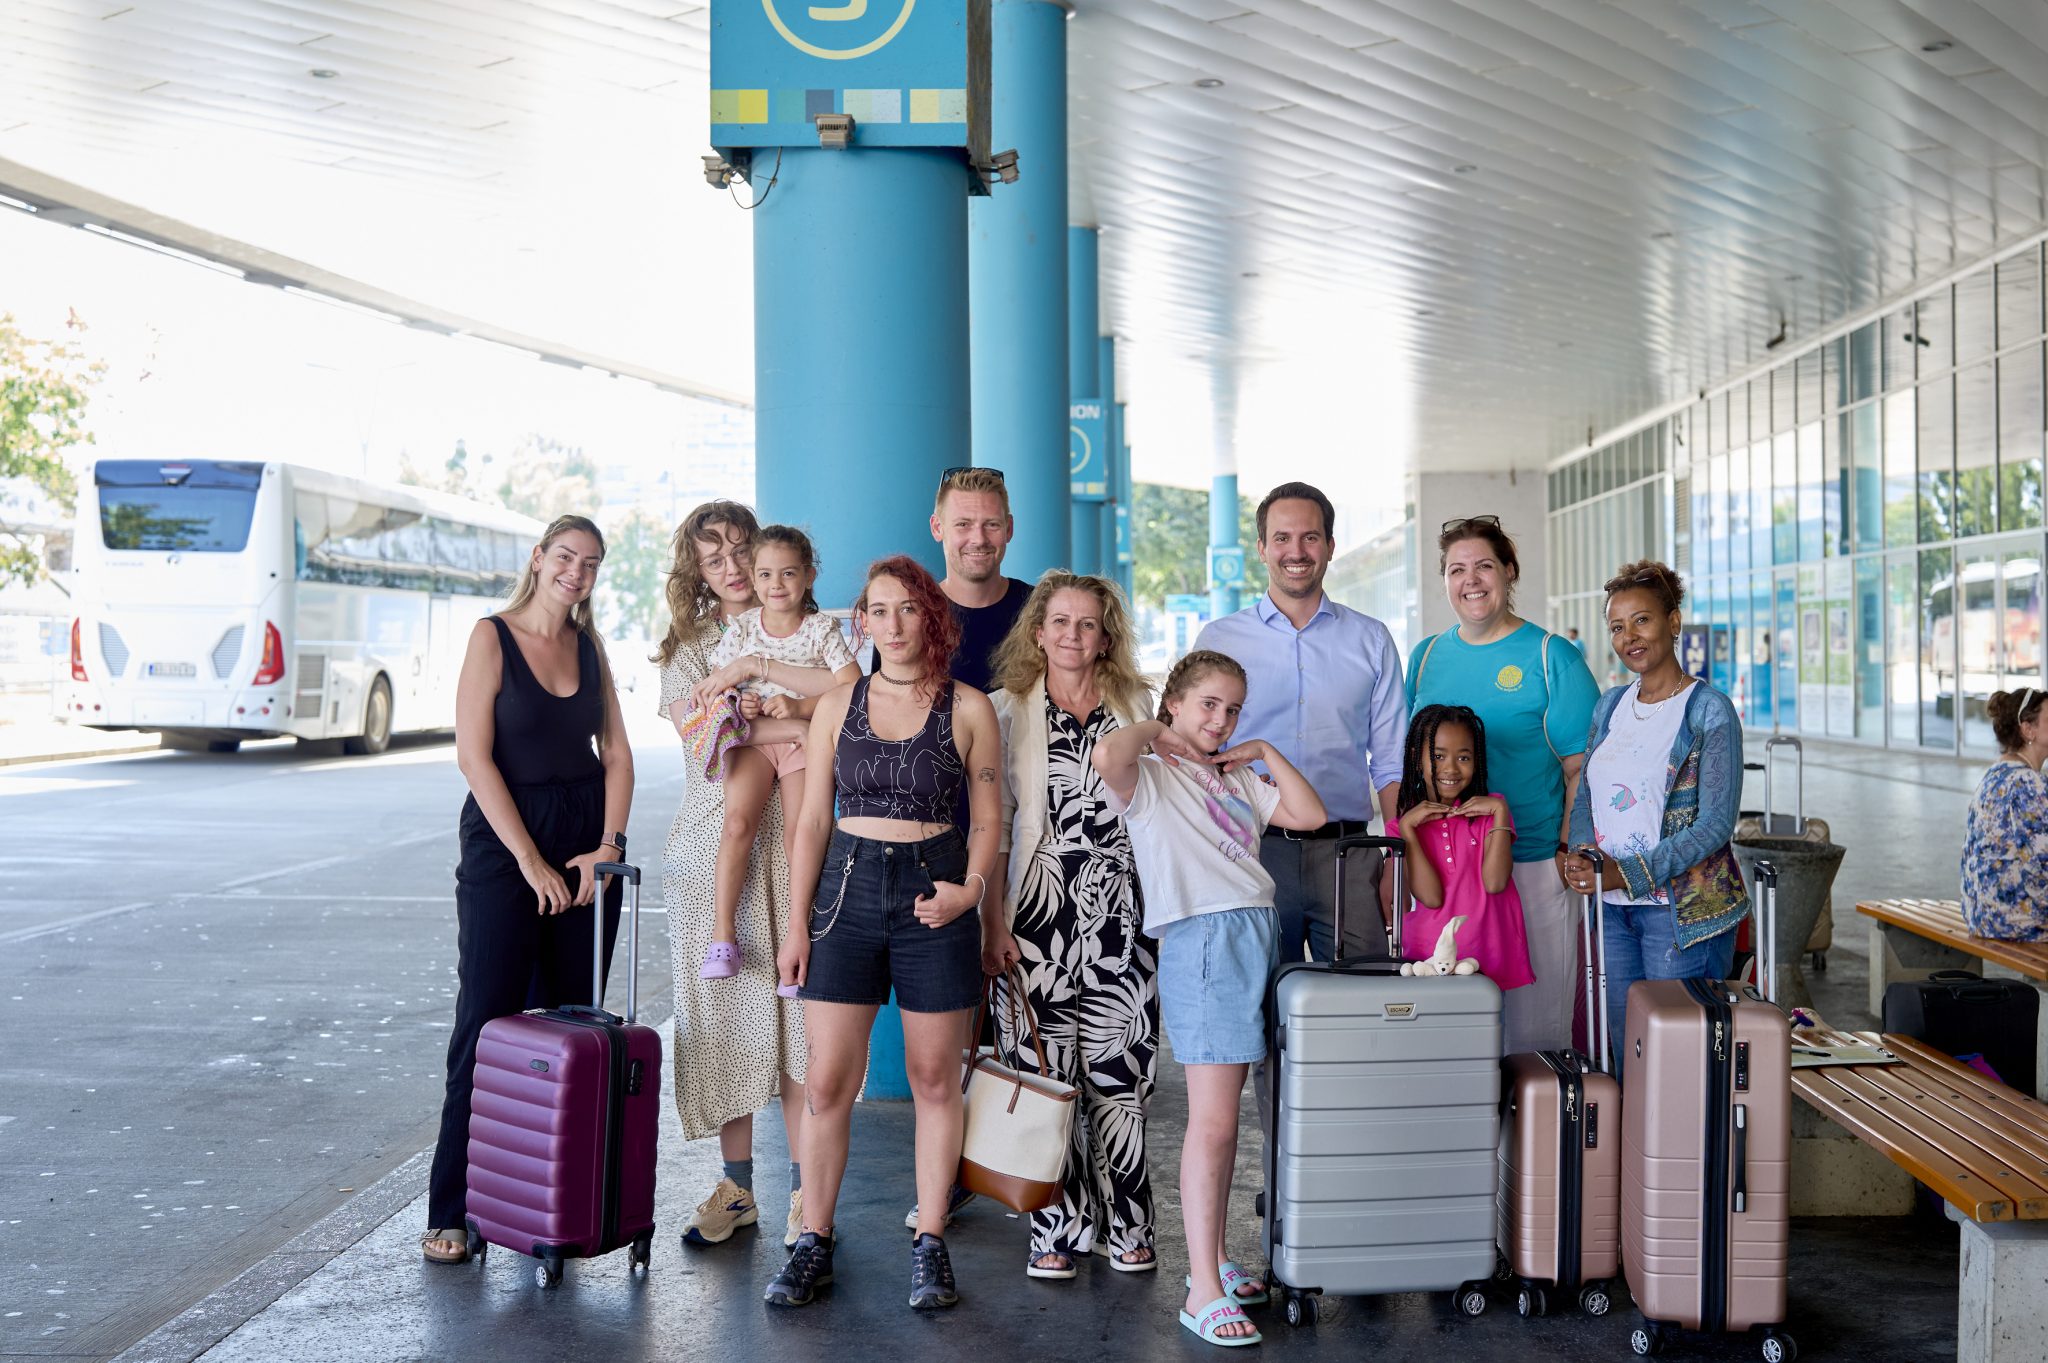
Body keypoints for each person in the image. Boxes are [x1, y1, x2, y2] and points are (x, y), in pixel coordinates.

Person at [767, 555, 1003, 1311]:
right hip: (845, 891)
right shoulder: (841, 701)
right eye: (878, 610)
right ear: (860, 620)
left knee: (936, 1080)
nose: (892, 624)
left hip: (936, 891)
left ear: (929, 616)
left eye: (908, 608)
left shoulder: (968, 706)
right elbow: (809, 822)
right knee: (830, 1079)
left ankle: (930, 1241)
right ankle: (816, 1238)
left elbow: (991, 815)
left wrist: (969, 891)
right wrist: (797, 922)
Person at [1093, 649, 1326, 1348]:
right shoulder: (1155, 778)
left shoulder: (1236, 779)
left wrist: (1261, 750)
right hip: (1204, 941)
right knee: (1214, 1122)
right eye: (1207, 705)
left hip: (1256, 931)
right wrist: (1159, 732)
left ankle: (1214, 1257)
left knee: (1227, 1122)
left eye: (1232, 709)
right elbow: (1109, 753)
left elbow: (1309, 814)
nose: (1220, 720)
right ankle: (1200, 1289)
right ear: (1175, 702)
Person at [421, 515, 633, 1264]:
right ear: (539, 558)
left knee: (570, 1029)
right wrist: (530, 863)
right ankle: (453, 1205)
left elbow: (617, 757)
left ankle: (551, 1207)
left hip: (583, 839)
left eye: (592, 563)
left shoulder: (590, 647)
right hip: (504, 835)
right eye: (566, 557)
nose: (577, 571)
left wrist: (602, 852)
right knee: (486, 1020)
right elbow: (474, 758)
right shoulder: (492, 636)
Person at [655, 503, 845, 1251]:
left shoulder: (814, 628)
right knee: (726, 1023)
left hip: (797, 853)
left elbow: (847, 701)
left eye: (742, 550)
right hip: (715, 851)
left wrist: (797, 712)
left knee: (803, 1024)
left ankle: (806, 1195)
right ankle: (737, 1186)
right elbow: (704, 729)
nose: (733, 568)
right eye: (714, 559)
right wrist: (802, 722)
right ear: (696, 574)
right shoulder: (693, 646)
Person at [979, 571, 1158, 1280]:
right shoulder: (1005, 710)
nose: (1073, 635)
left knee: (1121, 1069)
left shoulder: (1135, 705)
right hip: (1036, 909)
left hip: (1122, 911)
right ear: (1038, 631)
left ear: (1106, 635)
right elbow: (994, 830)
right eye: (1060, 622)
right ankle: (1056, 1223)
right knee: (1044, 1069)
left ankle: (1130, 1223)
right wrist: (993, 919)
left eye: (1088, 624)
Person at [1406, 515, 1601, 1054]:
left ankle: (1534, 1138)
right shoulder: (1425, 658)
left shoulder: (1549, 655)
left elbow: (1581, 769)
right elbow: (1410, 764)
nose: (1471, 580)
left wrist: (1567, 848)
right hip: (1445, 874)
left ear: (1509, 571)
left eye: (1484, 566)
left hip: (1532, 862)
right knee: (1456, 1033)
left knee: (1533, 1033)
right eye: (1456, 569)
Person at [1194, 481, 1407, 966]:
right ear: (1262, 548)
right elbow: (1192, 751)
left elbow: (1392, 761)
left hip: (1350, 855)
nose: (1296, 551)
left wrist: (1396, 858)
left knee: (1362, 1001)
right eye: (1283, 538)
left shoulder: (1370, 640)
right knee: (1259, 1011)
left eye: (1310, 537)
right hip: (1250, 849)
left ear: (1331, 546)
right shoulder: (1220, 639)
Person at [1562, 561, 1748, 1078]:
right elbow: (1587, 796)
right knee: (1628, 1053)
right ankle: (1636, 1160)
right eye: (1617, 627)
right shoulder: (1610, 706)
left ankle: (1684, 1160)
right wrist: (1582, 853)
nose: (1629, 638)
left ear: (1673, 621)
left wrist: (1632, 872)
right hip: (1614, 911)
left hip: (1678, 914)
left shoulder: (1708, 710)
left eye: (1641, 621)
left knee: (1675, 1064)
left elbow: (1714, 827)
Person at [698, 525, 861, 980]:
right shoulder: (743, 629)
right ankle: (722, 936)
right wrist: (742, 701)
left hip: (803, 740)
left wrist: (802, 706)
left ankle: (800, 933)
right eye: (765, 575)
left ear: (808, 576)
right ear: (753, 578)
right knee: (736, 824)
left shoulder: (820, 629)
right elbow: (719, 696)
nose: (776, 585)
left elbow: (851, 686)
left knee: (801, 836)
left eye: (788, 574)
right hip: (757, 740)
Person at [1394, 704, 1533, 991]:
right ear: (1416, 759)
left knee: (1487, 1033)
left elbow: (1495, 882)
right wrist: (1408, 830)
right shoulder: (1403, 825)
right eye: (1438, 756)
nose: (1451, 768)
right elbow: (1430, 897)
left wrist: (1500, 811)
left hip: (1487, 955)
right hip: (1428, 961)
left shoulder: (1491, 811)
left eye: (1464, 757)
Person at [1960, 688, 2048, 941]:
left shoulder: (1997, 772)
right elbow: (2041, 866)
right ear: (2027, 729)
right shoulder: (2028, 782)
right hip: (2014, 919)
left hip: (1981, 912)